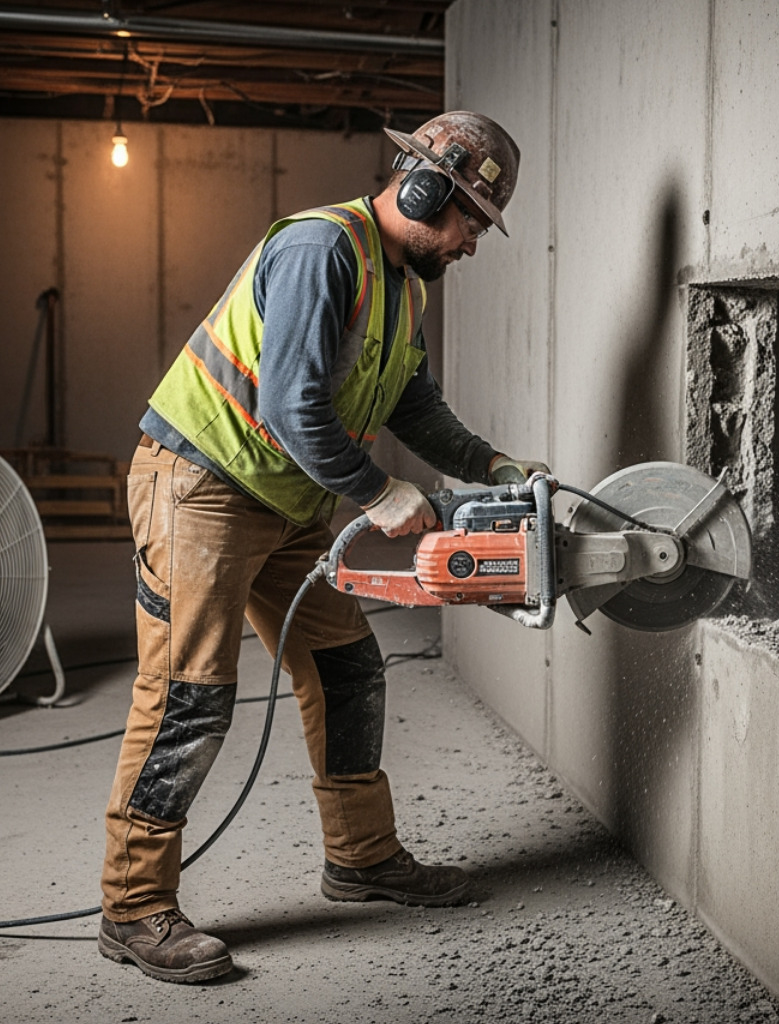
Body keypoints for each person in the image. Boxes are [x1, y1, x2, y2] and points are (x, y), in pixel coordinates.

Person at [96, 111, 548, 984]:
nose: (472, 243)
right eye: (468, 221)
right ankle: (132, 905)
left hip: (288, 497)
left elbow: (413, 405)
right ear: (422, 188)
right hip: (203, 485)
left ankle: (361, 858)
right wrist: (380, 494)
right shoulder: (322, 249)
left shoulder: (405, 282)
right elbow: (290, 406)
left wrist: (492, 463)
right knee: (188, 696)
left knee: (346, 668)